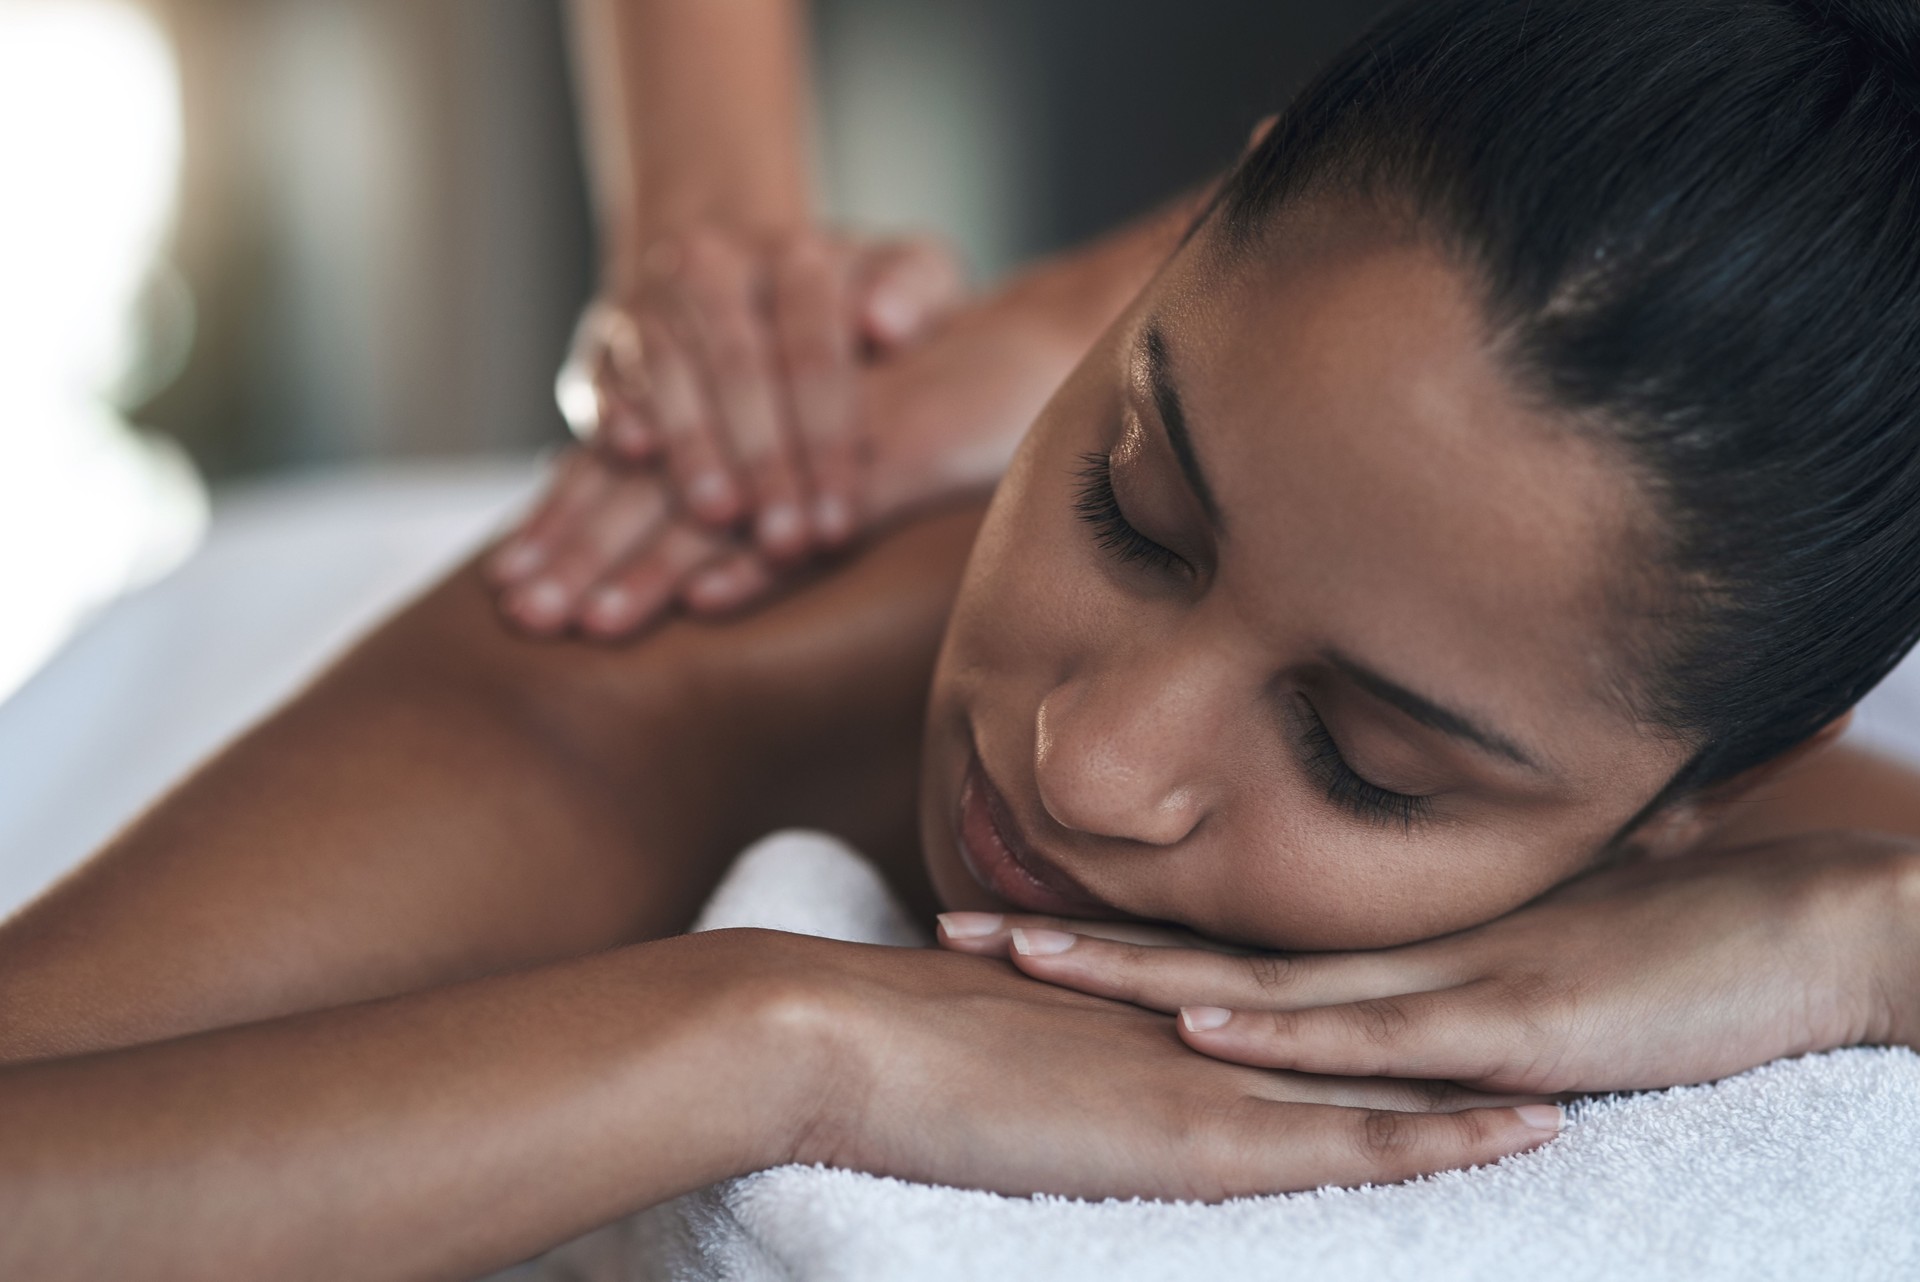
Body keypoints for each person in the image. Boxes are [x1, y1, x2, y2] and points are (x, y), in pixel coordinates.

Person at [2, 0, 1919, 1277]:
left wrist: (1859, 937)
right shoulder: (662, 659)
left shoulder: (1749, 804)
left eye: (1366, 761)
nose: (1087, 764)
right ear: (1159, 271)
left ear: (1701, 795)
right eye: (1133, 508)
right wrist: (785, 1034)